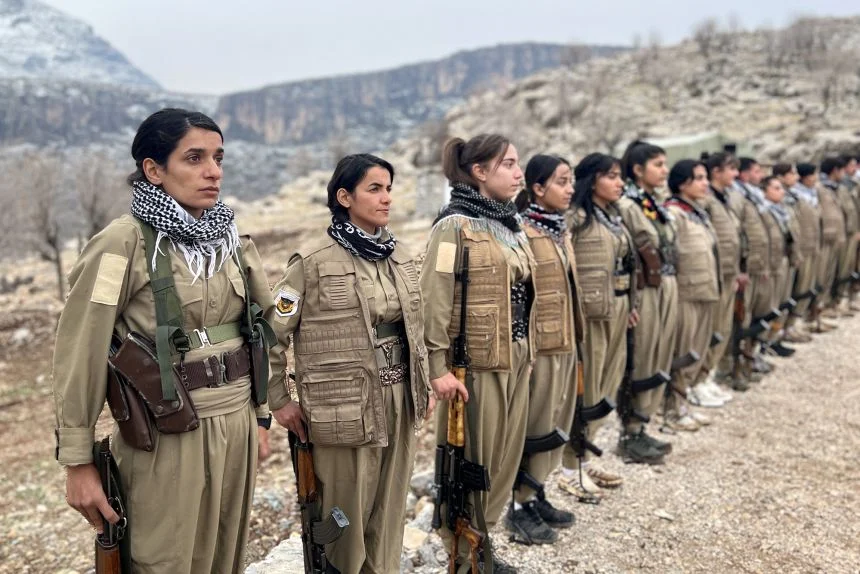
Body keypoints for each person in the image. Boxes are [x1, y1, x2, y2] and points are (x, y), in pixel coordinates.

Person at [53, 108, 275, 572]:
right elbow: (81, 349)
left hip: (235, 423)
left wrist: (260, 416)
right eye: (193, 158)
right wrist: (78, 462)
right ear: (153, 170)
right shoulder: (124, 242)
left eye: (218, 157)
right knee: (164, 561)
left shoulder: (229, 239)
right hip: (166, 432)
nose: (212, 171)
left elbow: (258, 330)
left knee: (223, 558)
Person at [266, 154, 433, 574]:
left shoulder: (398, 257)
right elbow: (272, 334)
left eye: (389, 188)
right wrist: (279, 401)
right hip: (343, 407)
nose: (386, 198)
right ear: (344, 197)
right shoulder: (313, 262)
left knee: (390, 508)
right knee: (345, 516)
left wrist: (422, 384)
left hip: (399, 398)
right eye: (374, 189)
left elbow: (416, 329)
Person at [421, 134, 531, 573]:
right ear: (479, 172)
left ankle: (482, 544)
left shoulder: (508, 223)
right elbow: (434, 300)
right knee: (475, 464)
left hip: (517, 355)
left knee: (504, 457)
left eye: (518, 162)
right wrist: (435, 368)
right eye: (507, 164)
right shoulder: (454, 226)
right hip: (477, 367)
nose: (517, 172)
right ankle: (464, 553)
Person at [506, 154, 584, 544]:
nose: (570, 188)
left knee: (556, 424)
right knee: (534, 428)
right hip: (541, 349)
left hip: (565, 342)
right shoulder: (523, 233)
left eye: (570, 181)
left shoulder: (557, 230)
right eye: (562, 181)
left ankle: (535, 492)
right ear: (538, 188)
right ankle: (517, 506)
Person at [558, 153, 638, 498]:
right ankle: (568, 466)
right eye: (612, 176)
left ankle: (585, 454)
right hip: (590, 316)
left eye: (620, 176)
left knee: (608, 380)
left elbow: (627, 264)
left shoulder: (614, 216)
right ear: (593, 179)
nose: (619, 182)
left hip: (618, 306)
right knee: (587, 388)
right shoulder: (574, 219)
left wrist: (631, 303)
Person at [663, 160, 721, 423]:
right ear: (683, 183)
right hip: (686, 293)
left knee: (697, 349)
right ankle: (674, 409)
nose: (705, 183)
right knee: (682, 352)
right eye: (699, 178)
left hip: (704, 290)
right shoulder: (674, 213)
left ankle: (683, 402)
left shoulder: (696, 212)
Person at [700, 152, 747, 391]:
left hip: (729, 271)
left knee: (724, 326)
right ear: (716, 172)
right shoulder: (706, 200)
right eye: (731, 169)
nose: (736, 174)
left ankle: (711, 372)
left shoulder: (725, 197)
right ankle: (700, 377)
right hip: (714, 273)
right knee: (712, 327)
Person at [729, 157, 774, 378]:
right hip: (745, 268)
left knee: (756, 314)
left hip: (757, 266)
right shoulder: (738, 197)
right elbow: (738, 234)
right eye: (756, 171)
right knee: (741, 318)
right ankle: (733, 367)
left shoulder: (752, 195)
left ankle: (749, 357)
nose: (761, 176)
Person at [773, 163, 813, 344]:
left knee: (792, 292)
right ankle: (774, 335)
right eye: (791, 173)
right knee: (778, 299)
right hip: (782, 256)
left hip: (795, 252)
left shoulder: (793, 196)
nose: (795, 177)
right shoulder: (778, 198)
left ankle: (785, 329)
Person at [758, 175, 797, 357]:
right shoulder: (763, 212)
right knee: (770, 305)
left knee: (781, 303)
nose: (781, 192)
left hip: (783, 260)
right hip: (771, 265)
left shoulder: (781, 210)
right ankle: (764, 342)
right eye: (776, 188)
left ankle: (774, 338)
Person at [815, 157, 848, 321]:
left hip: (836, 237)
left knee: (830, 273)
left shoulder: (835, 188)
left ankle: (825, 304)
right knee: (821, 274)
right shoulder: (820, 189)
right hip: (825, 238)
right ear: (835, 170)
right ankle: (817, 308)